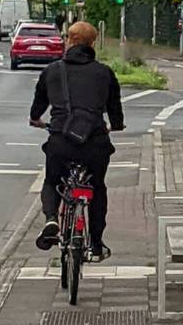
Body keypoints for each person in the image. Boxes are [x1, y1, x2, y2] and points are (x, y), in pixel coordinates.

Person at [29, 21, 124, 259]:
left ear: (68, 41)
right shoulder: (104, 73)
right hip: (94, 143)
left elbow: (38, 106)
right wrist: (116, 125)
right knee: (97, 188)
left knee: (52, 181)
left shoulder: (52, 71)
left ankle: (52, 220)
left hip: (61, 140)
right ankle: (96, 243)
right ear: (93, 44)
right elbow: (115, 109)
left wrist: (36, 119)